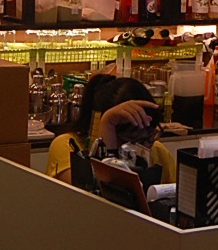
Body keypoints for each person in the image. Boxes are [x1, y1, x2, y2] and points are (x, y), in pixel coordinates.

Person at [46, 74, 176, 185]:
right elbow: (95, 196)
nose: (141, 149)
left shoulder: (157, 151)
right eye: (131, 140)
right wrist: (107, 125)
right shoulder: (66, 146)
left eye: (147, 137)